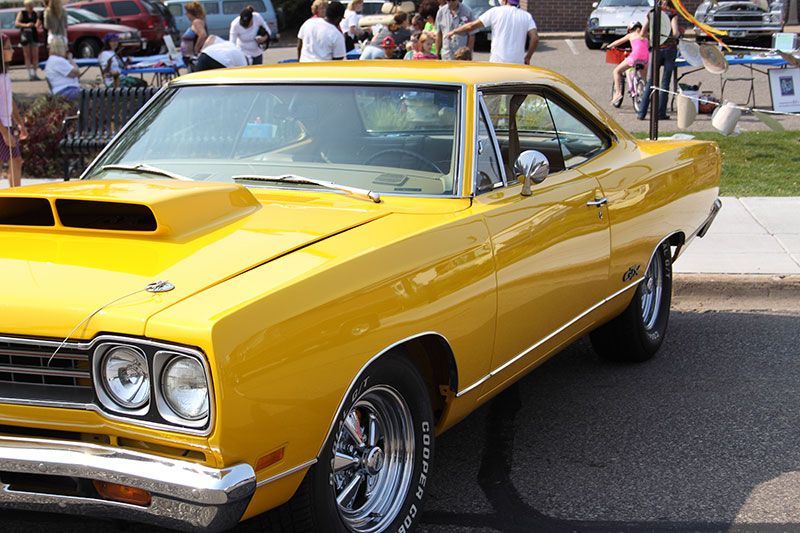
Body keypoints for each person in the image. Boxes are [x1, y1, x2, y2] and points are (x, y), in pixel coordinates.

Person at [446, 0, 538, 65]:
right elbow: (535, 38)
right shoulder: (526, 16)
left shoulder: (495, 12)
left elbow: (471, 26)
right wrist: (528, 57)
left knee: (496, 91)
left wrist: (454, 31)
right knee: (516, 90)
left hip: (497, 62)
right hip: (518, 64)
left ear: (505, 1)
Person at [637, 0, 681, 121]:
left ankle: (641, 113)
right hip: (669, 50)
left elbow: (642, 33)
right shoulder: (672, 13)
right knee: (665, 82)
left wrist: (652, 36)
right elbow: (676, 33)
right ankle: (661, 113)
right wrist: (678, 34)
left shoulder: (652, 13)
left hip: (655, 50)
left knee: (650, 81)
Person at [0, 34, 27, 188]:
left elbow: (10, 101)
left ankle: (14, 194)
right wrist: (4, 132)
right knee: (15, 159)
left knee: (15, 160)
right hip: (1, 126)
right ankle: (15, 195)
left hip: (7, 124)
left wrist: (20, 124)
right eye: (8, 47)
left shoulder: (5, 74)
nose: (12, 51)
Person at [604, 21, 649, 108]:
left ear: (631, 29)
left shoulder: (631, 35)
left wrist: (609, 46)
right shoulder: (646, 36)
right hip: (646, 58)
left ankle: (617, 93)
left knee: (616, 71)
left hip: (635, 56)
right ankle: (643, 91)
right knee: (644, 79)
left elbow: (618, 42)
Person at [16, 0, 41, 80]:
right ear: (26, 6)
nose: (31, 7)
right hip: (25, 35)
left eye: (32, 5)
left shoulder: (35, 13)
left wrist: (36, 24)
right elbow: (17, 23)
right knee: (27, 55)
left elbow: (38, 24)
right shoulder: (22, 13)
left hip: (34, 35)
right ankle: (29, 74)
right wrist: (26, 25)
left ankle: (35, 73)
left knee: (35, 55)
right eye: (29, 6)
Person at [180, 1, 208, 70]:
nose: (186, 14)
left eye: (187, 12)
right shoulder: (196, 22)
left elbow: (203, 35)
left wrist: (196, 48)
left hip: (193, 59)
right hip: (189, 58)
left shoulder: (197, 22)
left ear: (191, 13)